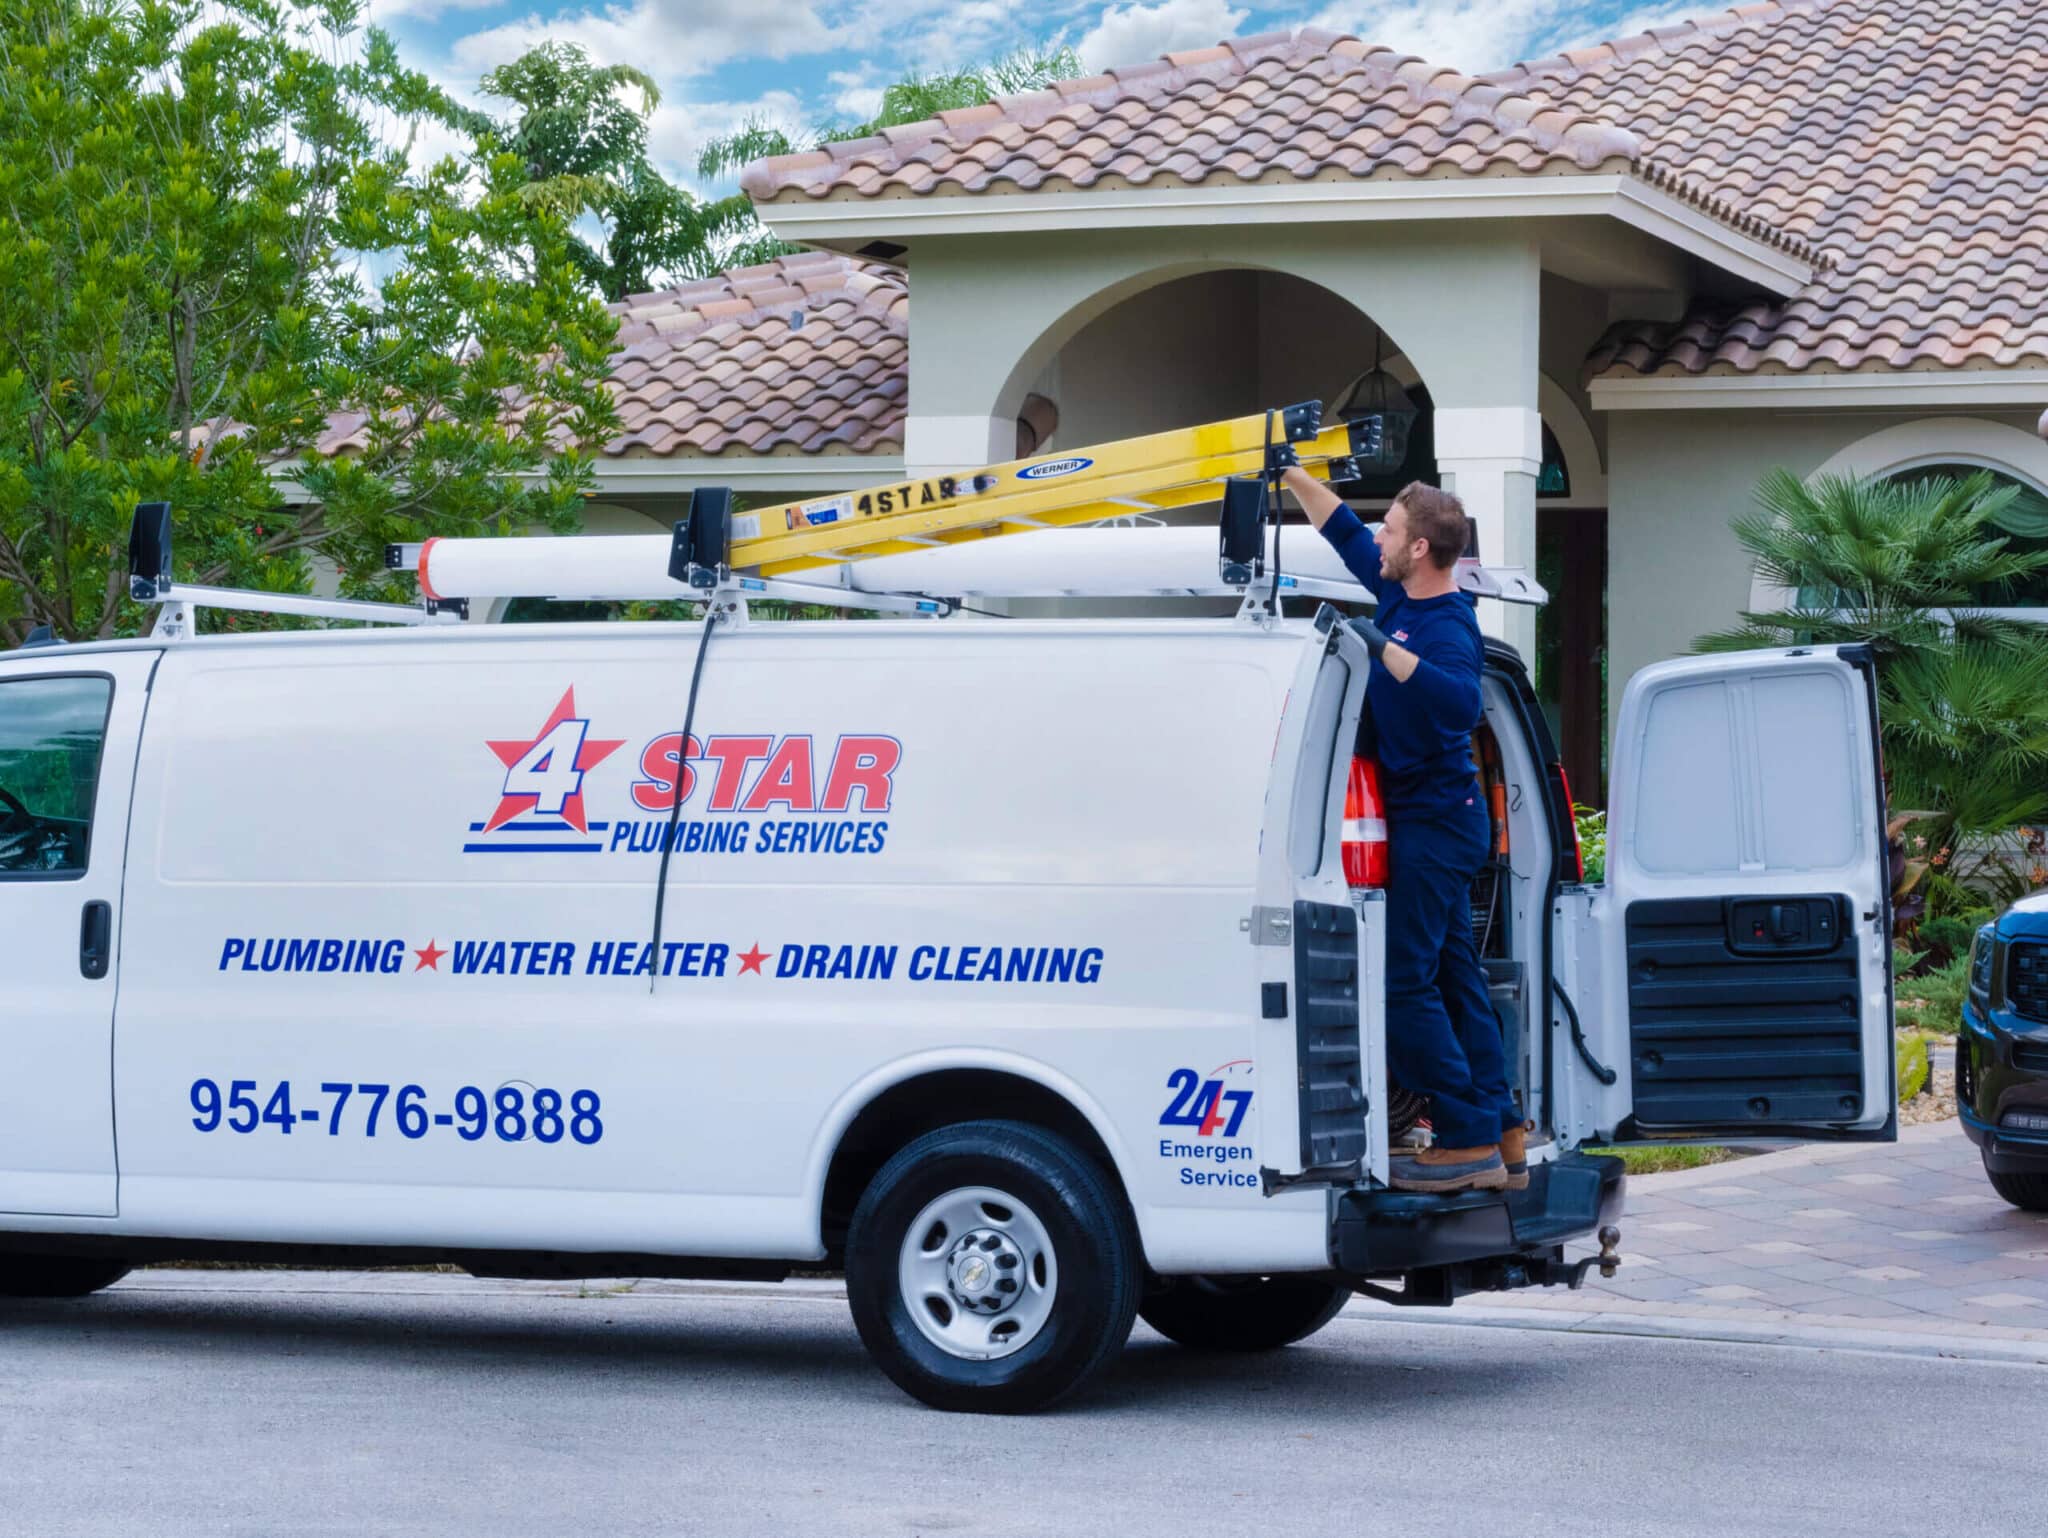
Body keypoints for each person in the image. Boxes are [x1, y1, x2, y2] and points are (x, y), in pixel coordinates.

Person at [1279, 468, 1525, 1195]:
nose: (1377, 538)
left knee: (1404, 983)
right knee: (1455, 977)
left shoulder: (1450, 623)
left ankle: (1464, 1135)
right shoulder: (1397, 590)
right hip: (1437, 824)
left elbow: (1457, 703)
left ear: (1419, 548)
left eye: (1389, 529)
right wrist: (1294, 474)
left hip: (1437, 827)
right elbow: (1343, 533)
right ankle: (1501, 1129)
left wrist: (1378, 647)